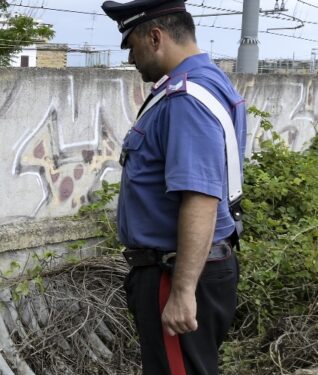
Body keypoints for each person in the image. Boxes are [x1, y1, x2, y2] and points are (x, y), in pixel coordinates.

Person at [100, 1, 247, 374]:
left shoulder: (185, 99)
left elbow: (200, 198)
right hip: (189, 269)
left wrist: (182, 292)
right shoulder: (210, 82)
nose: (132, 58)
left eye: (132, 46)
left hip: (176, 274)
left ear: (155, 37)